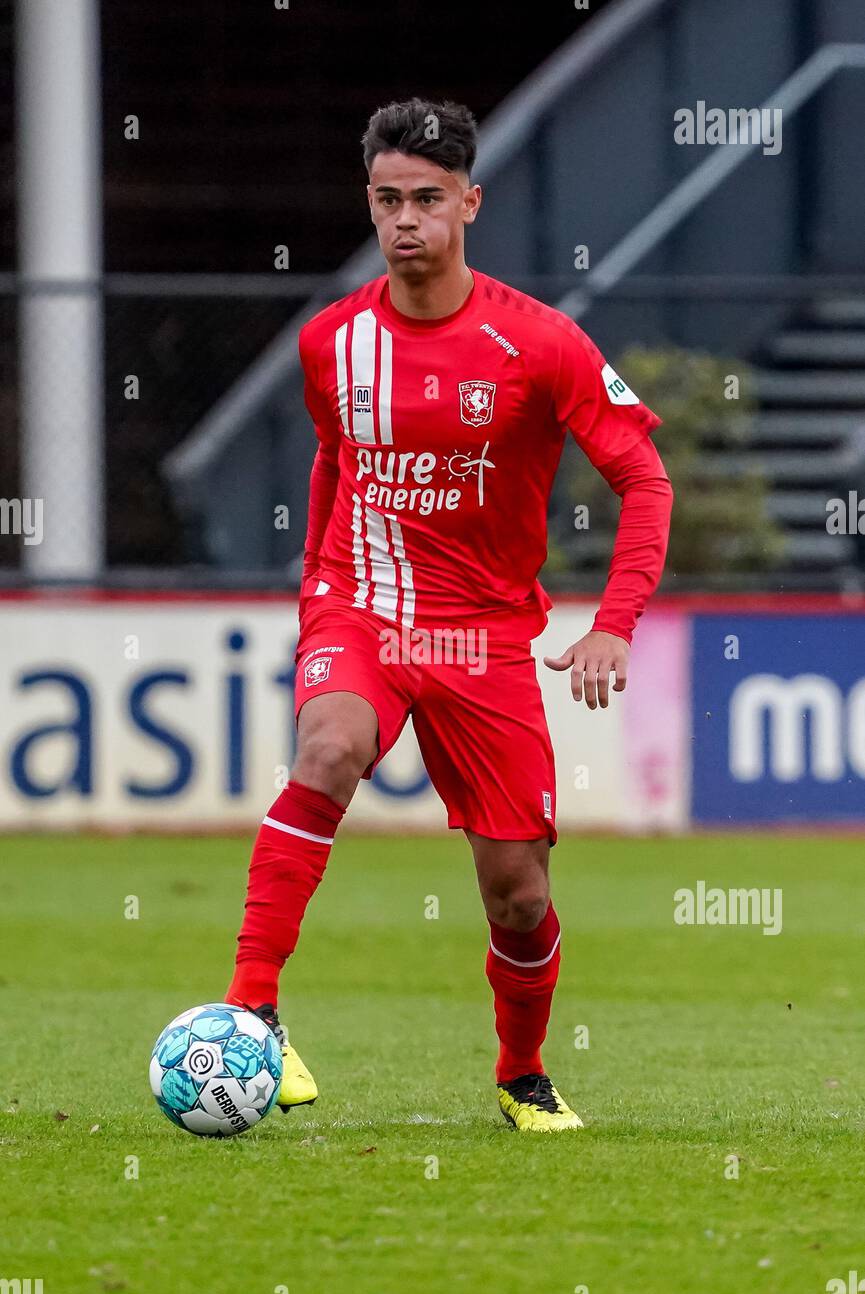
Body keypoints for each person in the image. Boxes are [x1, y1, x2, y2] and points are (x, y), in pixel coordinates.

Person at [225, 98, 673, 1132]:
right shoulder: (332, 343)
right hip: (363, 612)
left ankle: (521, 1071)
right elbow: (336, 465)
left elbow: (643, 482)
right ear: (369, 206)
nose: (405, 220)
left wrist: (613, 621)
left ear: (469, 203)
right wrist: (317, 598)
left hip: (484, 638)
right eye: (387, 200)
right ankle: (251, 1014)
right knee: (328, 745)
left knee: (517, 892)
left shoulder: (541, 342)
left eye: (427, 199)